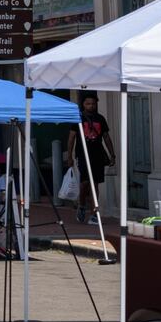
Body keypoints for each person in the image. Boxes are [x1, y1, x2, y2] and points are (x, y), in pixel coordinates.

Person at [67, 94, 114, 224]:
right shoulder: (78, 119)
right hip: (82, 155)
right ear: (83, 104)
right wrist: (70, 156)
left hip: (97, 155)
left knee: (95, 184)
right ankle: (82, 205)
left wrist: (112, 154)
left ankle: (94, 214)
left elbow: (106, 137)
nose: (91, 106)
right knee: (84, 183)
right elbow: (71, 138)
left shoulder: (100, 119)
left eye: (93, 103)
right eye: (88, 103)